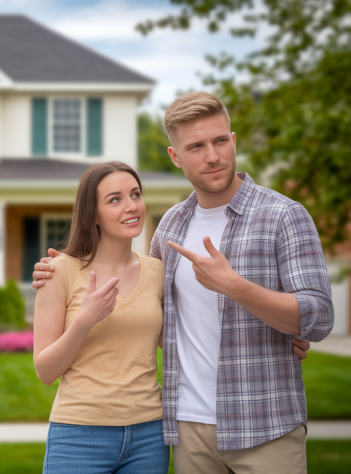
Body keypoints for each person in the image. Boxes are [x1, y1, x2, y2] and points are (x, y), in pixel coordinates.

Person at [33, 91, 332, 474]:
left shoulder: (284, 216)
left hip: (264, 422)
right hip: (187, 429)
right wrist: (64, 272)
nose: (212, 156)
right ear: (176, 157)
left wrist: (246, 295)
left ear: (234, 141)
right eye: (196, 146)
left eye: (220, 141)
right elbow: (159, 317)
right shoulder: (171, 228)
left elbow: (318, 318)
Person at [34, 160, 170, 474]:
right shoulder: (58, 272)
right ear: (92, 214)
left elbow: (183, 338)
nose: (131, 206)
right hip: (79, 434)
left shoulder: (158, 272)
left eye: (135, 194)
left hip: (148, 434)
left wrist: (283, 337)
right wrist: (85, 320)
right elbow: (45, 370)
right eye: (115, 199)